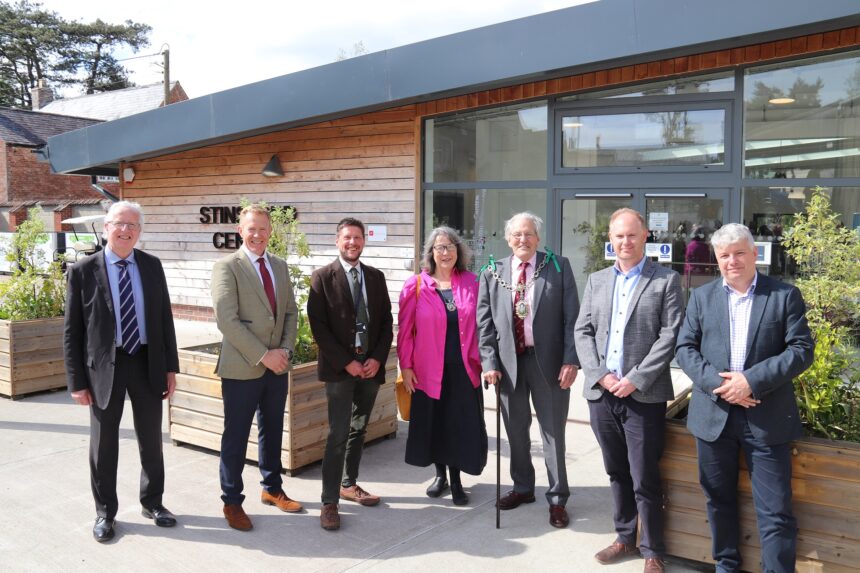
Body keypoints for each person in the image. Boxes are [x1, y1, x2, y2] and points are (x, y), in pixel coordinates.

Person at [675, 223, 814, 573]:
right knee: (718, 500)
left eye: (739, 253)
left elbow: (800, 350)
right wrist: (719, 385)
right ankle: (726, 565)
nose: (732, 261)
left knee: (775, 510)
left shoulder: (784, 296)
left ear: (755, 254)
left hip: (766, 419)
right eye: (724, 255)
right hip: (713, 417)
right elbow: (685, 347)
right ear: (716, 260)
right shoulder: (703, 297)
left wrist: (750, 381)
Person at [574, 208, 684, 573]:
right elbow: (582, 332)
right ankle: (624, 537)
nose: (625, 242)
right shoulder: (597, 280)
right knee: (616, 470)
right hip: (603, 393)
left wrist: (636, 377)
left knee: (644, 475)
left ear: (645, 237)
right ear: (611, 238)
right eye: (619, 236)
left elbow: (670, 335)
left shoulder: (665, 280)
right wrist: (600, 374)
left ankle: (652, 549)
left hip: (643, 395)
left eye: (632, 235)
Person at [64, 201, 179, 543]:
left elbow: (164, 320)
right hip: (104, 367)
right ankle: (105, 513)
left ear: (139, 232)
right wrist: (76, 381)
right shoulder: (83, 270)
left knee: (151, 440)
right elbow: (73, 331)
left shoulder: (152, 266)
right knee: (104, 445)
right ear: (106, 227)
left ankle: (153, 502)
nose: (125, 230)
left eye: (132, 225)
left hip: (146, 362)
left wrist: (170, 366)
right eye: (119, 224)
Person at [477, 212, 580, 529]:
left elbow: (572, 319)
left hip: (548, 365)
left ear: (538, 238)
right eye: (517, 234)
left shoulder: (557, 267)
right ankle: (523, 488)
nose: (523, 239)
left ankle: (557, 498)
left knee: (553, 435)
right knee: (516, 434)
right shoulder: (493, 272)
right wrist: (489, 363)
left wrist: (571, 360)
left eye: (529, 234)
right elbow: (485, 324)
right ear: (508, 239)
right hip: (509, 367)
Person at [210, 204, 300, 532]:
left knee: (272, 429)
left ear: (270, 232)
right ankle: (232, 500)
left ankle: (272, 488)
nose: (257, 235)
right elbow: (227, 320)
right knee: (235, 435)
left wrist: (285, 350)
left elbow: (290, 312)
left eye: (263, 228)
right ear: (240, 231)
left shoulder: (280, 265)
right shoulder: (227, 267)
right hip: (242, 367)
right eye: (251, 228)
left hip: (277, 366)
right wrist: (264, 355)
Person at [307, 217, 394, 531]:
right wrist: (347, 362)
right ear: (337, 241)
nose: (353, 243)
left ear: (364, 241)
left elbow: (385, 322)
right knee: (338, 434)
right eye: (347, 238)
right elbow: (319, 328)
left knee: (359, 428)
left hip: (369, 368)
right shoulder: (322, 278)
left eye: (357, 238)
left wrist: (376, 359)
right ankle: (329, 502)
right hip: (340, 370)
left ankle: (349, 483)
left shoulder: (375, 276)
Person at [397, 227, 487, 506]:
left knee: (458, 426)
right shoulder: (416, 286)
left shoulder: (473, 282)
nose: (445, 252)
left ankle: (457, 481)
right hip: (427, 371)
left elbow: (486, 324)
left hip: (464, 369)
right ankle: (441, 477)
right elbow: (405, 331)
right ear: (431, 253)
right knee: (435, 425)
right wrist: (407, 366)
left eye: (449, 246)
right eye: (439, 247)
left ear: (458, 251)